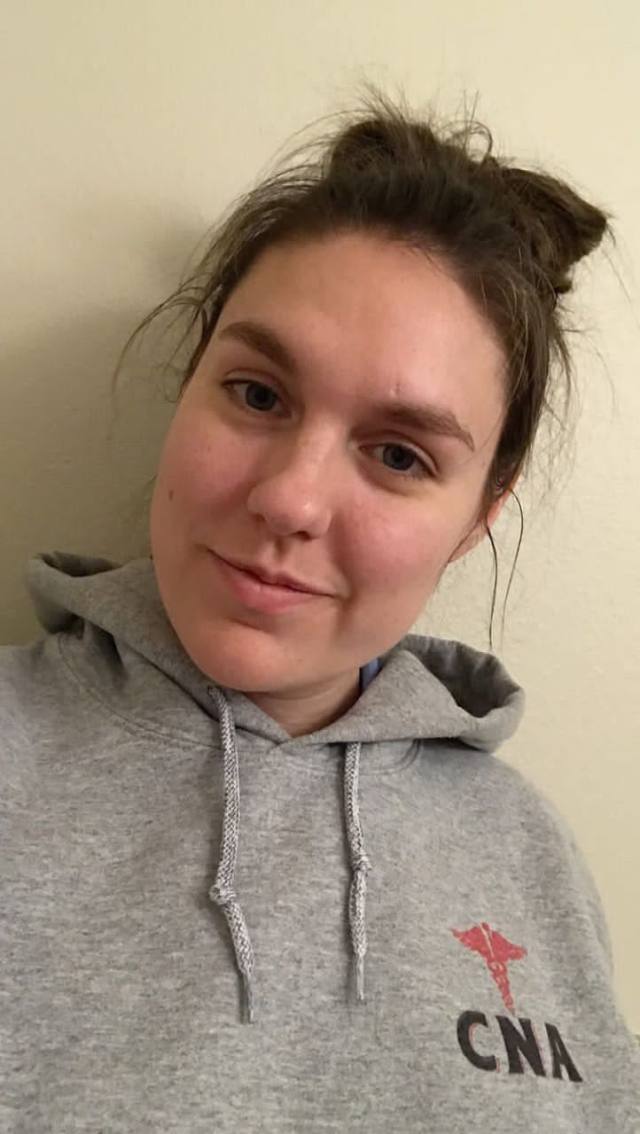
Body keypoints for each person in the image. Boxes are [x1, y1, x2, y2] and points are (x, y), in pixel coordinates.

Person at [2, 87, 639, 1133]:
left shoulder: (530, 854)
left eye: (398, 455)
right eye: (257, 395)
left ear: (479, 516)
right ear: (189, 381)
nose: (290, 500)